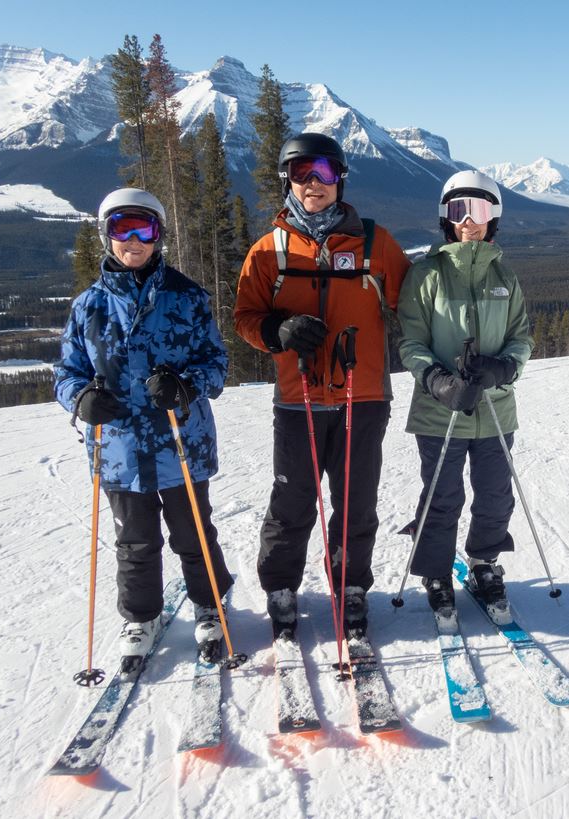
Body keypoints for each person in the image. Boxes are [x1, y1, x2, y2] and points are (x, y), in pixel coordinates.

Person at [234, 132, 410, 641]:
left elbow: (416, 305)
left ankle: (350, 586)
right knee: (292, 502)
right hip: (298, 399)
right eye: (301, 173)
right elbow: (246, 316)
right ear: (288, 180)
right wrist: (277, 332)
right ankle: (281, 588)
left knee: (356, 501)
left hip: (365, 395)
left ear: (341, 178)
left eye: (325, 173)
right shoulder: (269, 251)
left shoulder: (376, 244)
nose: (313, 183)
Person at [54, 187, 234, 666]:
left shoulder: (186, 297)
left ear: (159, 235)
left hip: (180, 444)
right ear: (105, 235)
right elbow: (66, 372)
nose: (133, 241)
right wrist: (81, 398)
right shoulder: (87, 307)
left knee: (194, 534)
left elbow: (217, 362)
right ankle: (141, 614)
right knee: (134, 542)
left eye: (144, 229)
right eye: (121, 229)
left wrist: (186, 385)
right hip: (118, 450)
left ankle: (210, 606)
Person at [398, 170, 533, 624]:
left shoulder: (505, 276)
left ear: (493, 218)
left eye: (479, 211)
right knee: (443, 494)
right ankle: (436, 572)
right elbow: (410, 343)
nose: (469, 222)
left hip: (495, 408)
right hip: (442, 410)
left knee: (496, 494)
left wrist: (504, 368)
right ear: (446, 217)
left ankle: (484, 563)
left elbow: (521, 338)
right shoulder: (424, 276)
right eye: (459, 211)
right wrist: (437, 380)